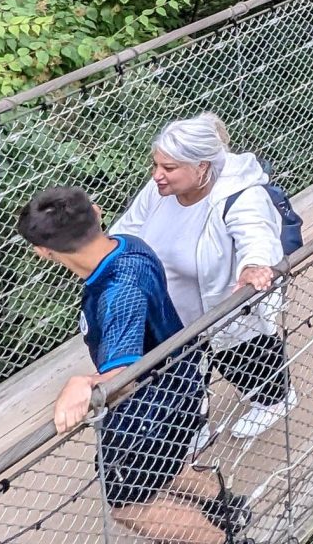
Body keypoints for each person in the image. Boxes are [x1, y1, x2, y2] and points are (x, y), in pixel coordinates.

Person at [21, 188, 242, 544]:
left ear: (43, 252)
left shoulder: (116, 291)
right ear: (97, 212)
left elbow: (123, 378)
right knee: (169, 467)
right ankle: (229, 509)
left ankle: (223, 540)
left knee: (131, 506)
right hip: (182, 379)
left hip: (147, 412)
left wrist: (82, 382)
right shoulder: (128, 245)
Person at [114, 114, 295, 443]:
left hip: (220, 303)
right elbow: (127, 229)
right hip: (170, 309)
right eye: (156, 165)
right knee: (179, 370)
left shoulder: (241, 196)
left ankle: (274, 401)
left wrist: (253, 267)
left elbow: (257, 238)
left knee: (244, 356)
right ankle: (191, 425)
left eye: (169, 168)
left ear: (201, 167)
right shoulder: (158, 190)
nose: (157, 176)